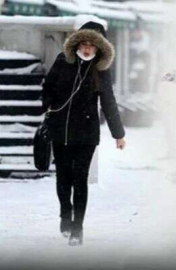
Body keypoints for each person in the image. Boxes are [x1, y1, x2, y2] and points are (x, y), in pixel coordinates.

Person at [42, 21, 126, 246]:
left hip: (86, 134)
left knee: (80, 180)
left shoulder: (100, 69)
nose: (87, 48)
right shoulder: (63, 61)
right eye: (84, 43)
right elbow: (47, 86)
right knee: (63, 177)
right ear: (78, 43)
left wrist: (118, 133)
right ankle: (64, 214)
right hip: (60, 130)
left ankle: (78, 227)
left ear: (100, 48)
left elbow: (108, 101)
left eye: (93, 45)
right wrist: (48, 104)